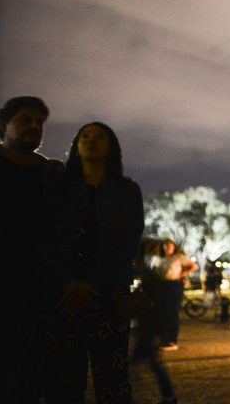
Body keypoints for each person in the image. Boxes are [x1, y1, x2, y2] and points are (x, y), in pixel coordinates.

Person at [47, 121, 145, 401]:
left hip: (109, 296)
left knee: (113, 379)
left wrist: (93, 284)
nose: (91, 140)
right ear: (76, 146)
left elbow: (129, 243)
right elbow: (46, 240)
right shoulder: (59, 189)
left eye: (99, 136)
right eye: (85, 136)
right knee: (63, 379)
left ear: (112, 147)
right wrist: (66, 283)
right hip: (63, 296)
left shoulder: (126, 191)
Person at [0, 96, 63, 402]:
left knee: (31, 379)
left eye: (40, 122)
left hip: (40, 294)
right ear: (4, 125)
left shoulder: (52, 175)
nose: (34, 127)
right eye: (25, 120)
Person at [131, 238, 178, 404]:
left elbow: (156, 302)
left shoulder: (147, 274)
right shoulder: (147, 272)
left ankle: (169, 396)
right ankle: (168, 396)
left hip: (149, 324)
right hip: (148, 324)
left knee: (147, 361)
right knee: (148, 361)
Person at [155, 239, 197, 351]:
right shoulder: (161, 259)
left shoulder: (178, 257)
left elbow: (194, 266)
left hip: (174, 285)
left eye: (170, 246)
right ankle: (164, 339)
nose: (167, 248)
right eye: (165, 246)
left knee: (172, 312)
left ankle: (172, 340)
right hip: (162, 285)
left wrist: (182, 274)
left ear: (174, 247)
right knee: (163, 312)